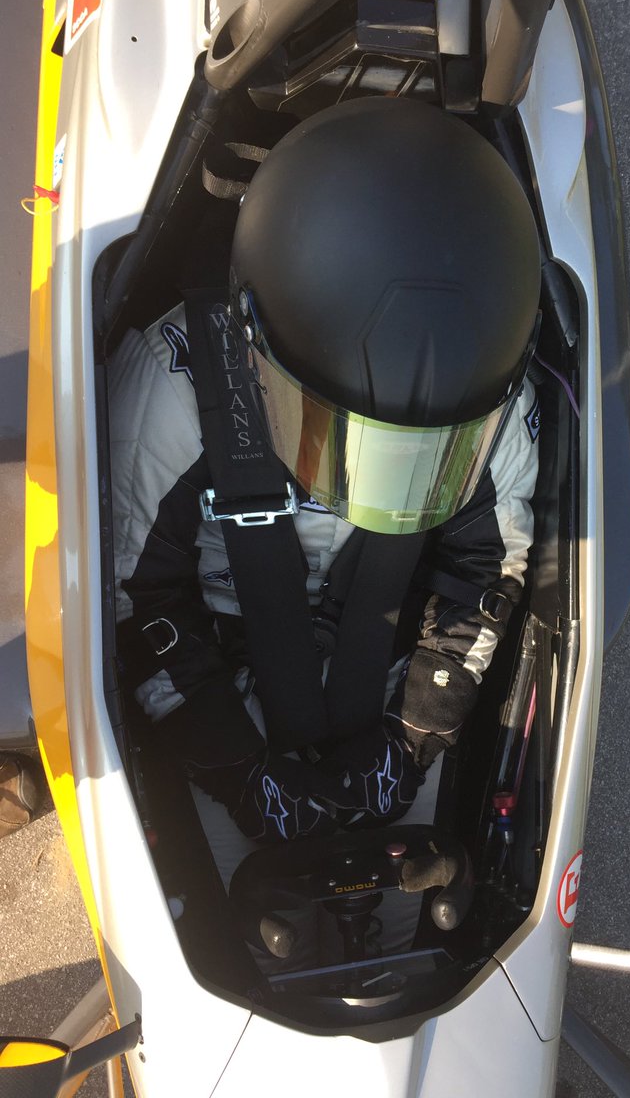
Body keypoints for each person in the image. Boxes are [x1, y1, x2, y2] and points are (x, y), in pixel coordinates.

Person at [111, 98, 541, 844]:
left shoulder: (496, 405)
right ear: (255, 349)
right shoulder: (171, 394)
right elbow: (132, 598)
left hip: (386, 654)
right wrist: (236, 767)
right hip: (217, 656)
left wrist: (412, 738)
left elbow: (487, 566)